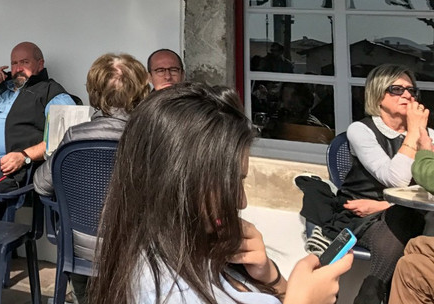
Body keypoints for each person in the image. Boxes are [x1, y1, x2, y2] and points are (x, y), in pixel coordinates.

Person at [92, 83, 352, 304]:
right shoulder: (167, 291)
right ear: (176, 182)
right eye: (230, 183)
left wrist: (269, 276)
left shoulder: (198, 252)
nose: (241, 201)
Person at [335, 64, 434, 304]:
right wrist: (414, 132)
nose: (407, 95)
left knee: (405, 218)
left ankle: (370, 292)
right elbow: (395, 179)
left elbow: (430, 185)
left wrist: (382, 207)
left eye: (412, 91)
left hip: (403, 213)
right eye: (397, 89)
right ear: (378, 95)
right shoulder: (361, 130)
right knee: (403, 223)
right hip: (361, 216)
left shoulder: (429, 134)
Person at [33, 53, 150, 197]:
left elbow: (41, 184)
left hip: (79, 219)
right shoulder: (152, 135)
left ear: (94, 92)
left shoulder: (75, 136)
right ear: (142, 91)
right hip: (134, 219)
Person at [0, 41, 78, 188]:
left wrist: (24, 156)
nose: (18, 69)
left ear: (40, 64)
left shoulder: (50, 91)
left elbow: (64, 138)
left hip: (0, 168)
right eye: (14, 63)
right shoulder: (1, 89)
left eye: (25, 62)